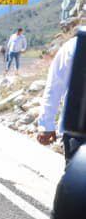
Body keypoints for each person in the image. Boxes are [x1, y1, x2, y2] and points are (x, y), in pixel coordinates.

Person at [37, 30, 82, 163]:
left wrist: (46, 125)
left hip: (76, 127)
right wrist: (46, 125)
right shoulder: (73, 46)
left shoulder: (73, 46)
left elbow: (55, 86)